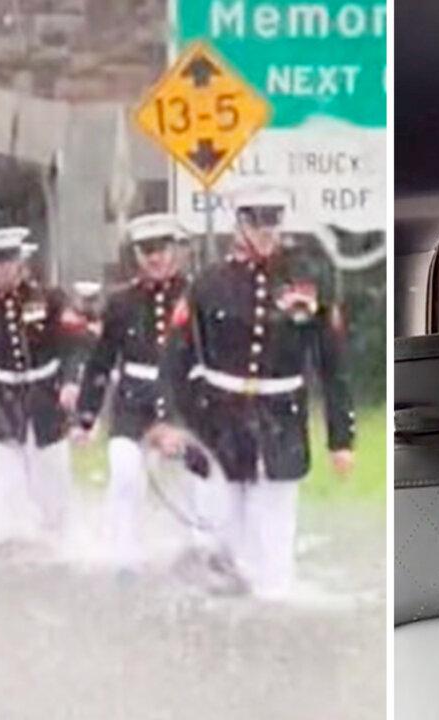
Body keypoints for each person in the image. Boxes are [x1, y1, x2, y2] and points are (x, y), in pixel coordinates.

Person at [156, 191, 356, 598]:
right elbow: (176, 357)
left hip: (280, 419)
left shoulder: (308, 279)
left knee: (274, 533)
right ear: (240, 226)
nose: (265, 234)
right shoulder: (208, 283)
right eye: (256, 224)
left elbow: (332, 365)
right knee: (216, 531)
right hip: (217, 421)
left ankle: (271, 615)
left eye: (272, 224)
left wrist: (341, 437)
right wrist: (172, 421)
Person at [74, 214, 190, 567]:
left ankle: (196, 553)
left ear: (176, 251)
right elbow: (101, 360)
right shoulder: (122, 302)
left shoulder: (196, 295)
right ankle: (124, 553)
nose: (155, 258)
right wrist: (86, 416)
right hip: (132, 401)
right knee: (125, 471)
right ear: (137, 255)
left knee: (195, 484)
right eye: (146, 250)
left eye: (162, 249)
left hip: (183, 400)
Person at [0, 227, 82, 549]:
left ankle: (58, 545)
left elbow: (72, 344)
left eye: (10, 260)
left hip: (45, 397)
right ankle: (11, 552)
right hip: (1, 401)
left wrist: (70, 382)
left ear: (22, 261)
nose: (4, 268)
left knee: (53, 484)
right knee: (4, 485)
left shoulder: (51, 298)